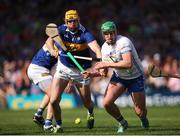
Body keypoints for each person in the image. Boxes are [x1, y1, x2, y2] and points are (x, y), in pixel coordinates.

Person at [83, 21, 149, 133]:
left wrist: (107, 64)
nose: (109, 36)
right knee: (106, 103)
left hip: (136, 77)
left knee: (140, 111)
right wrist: (91, 74)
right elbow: (104, 73)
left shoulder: (124, 42)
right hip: (119, 78)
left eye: (111, 33)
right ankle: (123, 123)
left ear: (115, 32)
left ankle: (143, 118)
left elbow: (128, 64)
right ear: (103, 35)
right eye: (106, 34)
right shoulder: (104, 48)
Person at [43, 9, 101, 133]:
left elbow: (95, 47)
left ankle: (90, 112)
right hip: (64, 68)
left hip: (82, 71)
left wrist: (100, 58)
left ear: (78, 20)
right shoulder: (61, 29)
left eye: (74, 21)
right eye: (69, 21)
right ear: (65, 21)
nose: (72, 23)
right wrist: (53, 49)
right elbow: (49, 41)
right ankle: (59, 125)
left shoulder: (85, 32)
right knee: (53, 100)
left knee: (87, 102)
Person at [27, 39, 59, 127]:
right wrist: (53, 51)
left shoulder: (61, 46)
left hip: (40, 70)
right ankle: (48, 124)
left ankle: (39, 114)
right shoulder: (55, 43)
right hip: (38, 70)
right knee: (54, 97)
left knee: (52, 93)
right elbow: (48, 41)